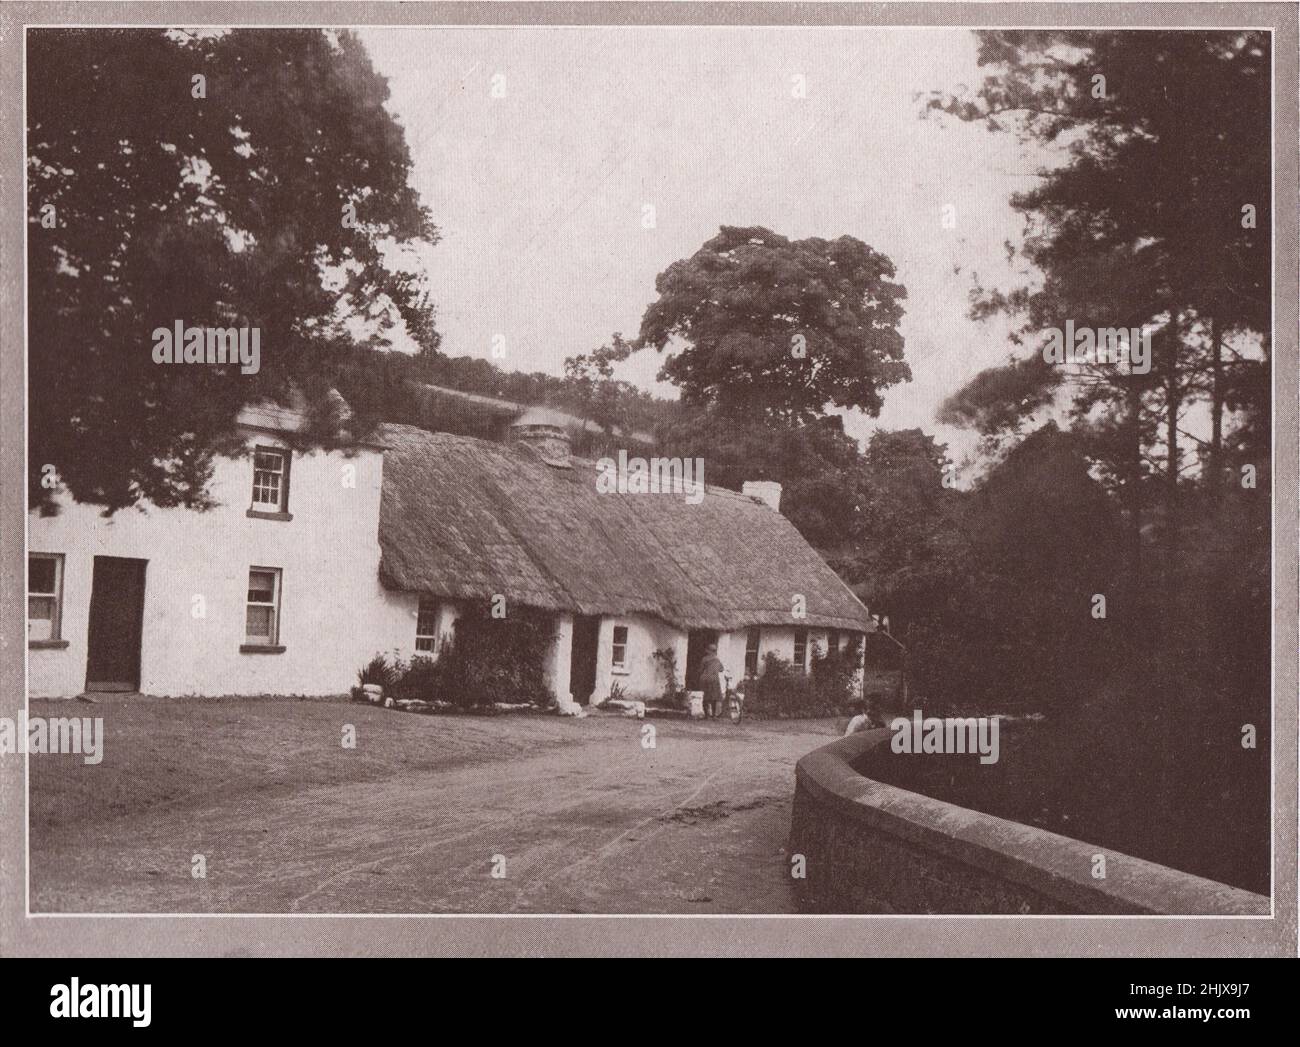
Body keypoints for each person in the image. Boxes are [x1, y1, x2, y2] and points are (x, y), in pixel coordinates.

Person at [698, 643, 726, 719]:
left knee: (706, 697)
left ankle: (706, 715)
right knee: (714, 698)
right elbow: (721, 669)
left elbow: (701, 669)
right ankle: (714, 715)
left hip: (706, 679)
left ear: (708, 650)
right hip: (715, 679)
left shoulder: (705, 659)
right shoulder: (717, 659)